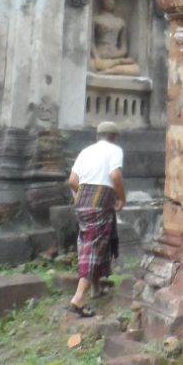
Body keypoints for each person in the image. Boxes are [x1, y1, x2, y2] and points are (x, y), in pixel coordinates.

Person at [67, 120, 125, 315]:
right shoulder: (114, 150)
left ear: (98, 136)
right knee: (94, 246)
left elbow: (73, 181)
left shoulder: (86, 151)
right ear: (115, 137)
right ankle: (78, 297)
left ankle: (96, 288)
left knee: (92, 242)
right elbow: (115, 176)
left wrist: (81, 195)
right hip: (100, 202)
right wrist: (122, 198)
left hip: (82, 201)